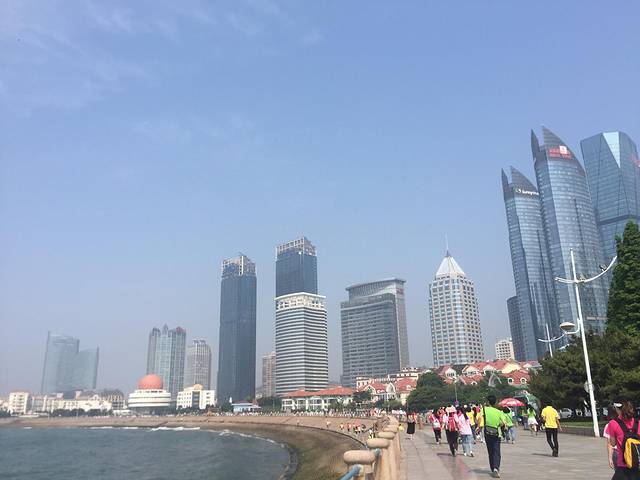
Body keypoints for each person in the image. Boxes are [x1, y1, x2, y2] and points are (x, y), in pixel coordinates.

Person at [607, 401, 640, 480]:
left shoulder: (613, 423)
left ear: (618, 410)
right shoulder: (638, 423)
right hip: (637, 464)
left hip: (623, 464)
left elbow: (613, 443)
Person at [478, 395, 506, 478]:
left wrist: (479, 427)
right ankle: (496, 468)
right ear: (495, 402)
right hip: (497, 433)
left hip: (487, 432)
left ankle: (492, 467)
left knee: (490, 451)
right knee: (496, 451)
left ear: (488, 402)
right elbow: (503, 423)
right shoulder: (499, 412)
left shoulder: (484, 410)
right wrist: (497, 424)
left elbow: (479, 419)